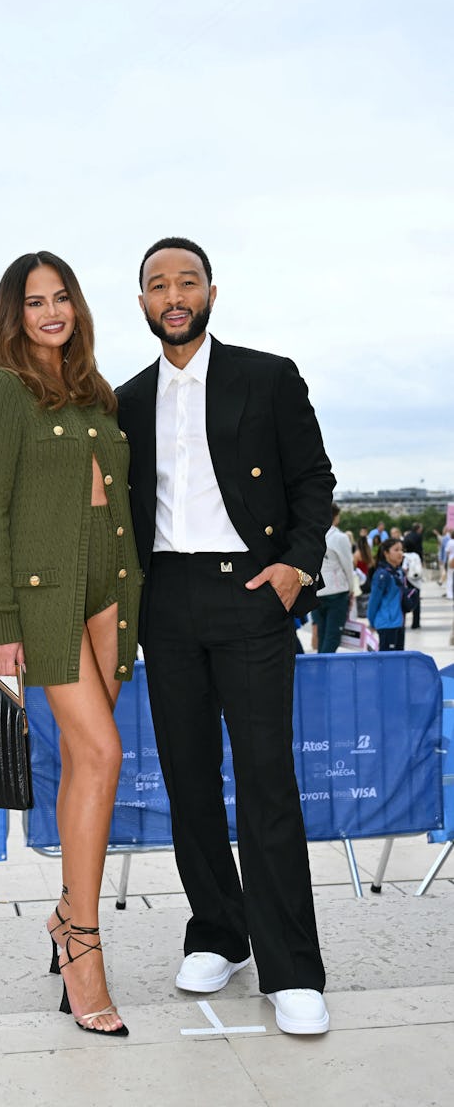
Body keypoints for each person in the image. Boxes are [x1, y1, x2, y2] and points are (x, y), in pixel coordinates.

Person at [116, 235, 333, 1036]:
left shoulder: (268, 377)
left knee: (268, 781)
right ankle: (219, 931)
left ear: (210, 292)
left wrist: (294, 568)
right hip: (166, 602)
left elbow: (315, 480)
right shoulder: (124, 401)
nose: (173, 295)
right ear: (140, 302)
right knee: (189, 781)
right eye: (156, 285)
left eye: (187, 281)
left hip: (250, 593)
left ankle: (292, 968)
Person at [0, 250, 142, 1038]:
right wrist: (0, 621)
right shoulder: (6, 390)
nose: (50, 311)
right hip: (45, 603)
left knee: (88, 762)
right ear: (15, 315)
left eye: (61, 297)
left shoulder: (96, 393)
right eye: (34, 301)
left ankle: (68, 919)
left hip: (109, 591)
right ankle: (83, 942)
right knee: (104, 754)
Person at [311, 504, 354, 653]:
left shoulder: (311, 534)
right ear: (335, 517)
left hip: (315, 590)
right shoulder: (339, 537)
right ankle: (324, 668)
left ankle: (320, 666)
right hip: (336, 591)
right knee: (333, 635)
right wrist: (352, 588)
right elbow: (347, 564)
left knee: (321, 633)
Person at [367, 537, 408, 651]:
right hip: (386, 624)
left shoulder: (399, 572)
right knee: (387, 661)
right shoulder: (382, 575)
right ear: (386, 553)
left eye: (401, 549)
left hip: (399, 623)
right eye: (396, 550)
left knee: (398, 660)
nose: (400, 553)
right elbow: (374, 600)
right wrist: (371, 621)